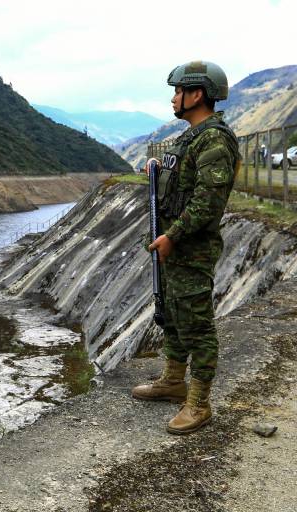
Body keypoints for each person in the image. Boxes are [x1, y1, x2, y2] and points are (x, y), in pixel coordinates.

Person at [132, 61, 240, 434]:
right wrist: (158, 171)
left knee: (197, 324)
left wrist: (173, 236)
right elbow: (185, 181)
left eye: (179, 91)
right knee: (174, 316)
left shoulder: (214, 138)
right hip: (175, 246)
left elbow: (208, 201)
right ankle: (173, 380)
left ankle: (199, 403)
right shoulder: (191, 137)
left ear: (197, 95)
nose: (174, 98)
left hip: (190, 248)